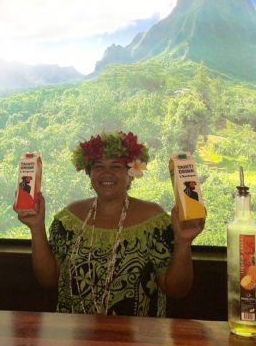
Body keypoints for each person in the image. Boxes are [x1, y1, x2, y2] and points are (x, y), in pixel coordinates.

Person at [15, 131, 205, 317]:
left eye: (116, 166)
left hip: (138, 340)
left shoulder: (154, 220)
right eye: (98, 166)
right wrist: (36, 227)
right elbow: (48, 280)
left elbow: (176, 290)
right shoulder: (69, 219)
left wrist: (183, 242)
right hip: (74, 337)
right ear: (89, 173)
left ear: (131, 173)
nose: (106, 173)